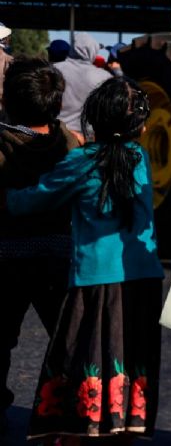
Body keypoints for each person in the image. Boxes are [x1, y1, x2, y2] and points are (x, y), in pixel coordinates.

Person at [2, 77, 164, 443]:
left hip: (95, 280)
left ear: (94, 118)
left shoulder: (81, 160)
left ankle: (82, 430)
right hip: (143, 277)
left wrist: (7, 196)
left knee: (87, 352)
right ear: (142, 125)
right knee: (127, 352)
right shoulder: (140, 159)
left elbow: (35, 199)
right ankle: (121, 425)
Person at [0, 59, 78, 436]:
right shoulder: (67, 142)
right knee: (64, 339)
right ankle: (69, 407)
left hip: (6, 257)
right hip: (58, 256)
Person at [54, 32, 112, 141]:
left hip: (57, 134)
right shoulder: (104, 77)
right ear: (93, 51)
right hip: (88, 138)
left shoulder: (54, 70)